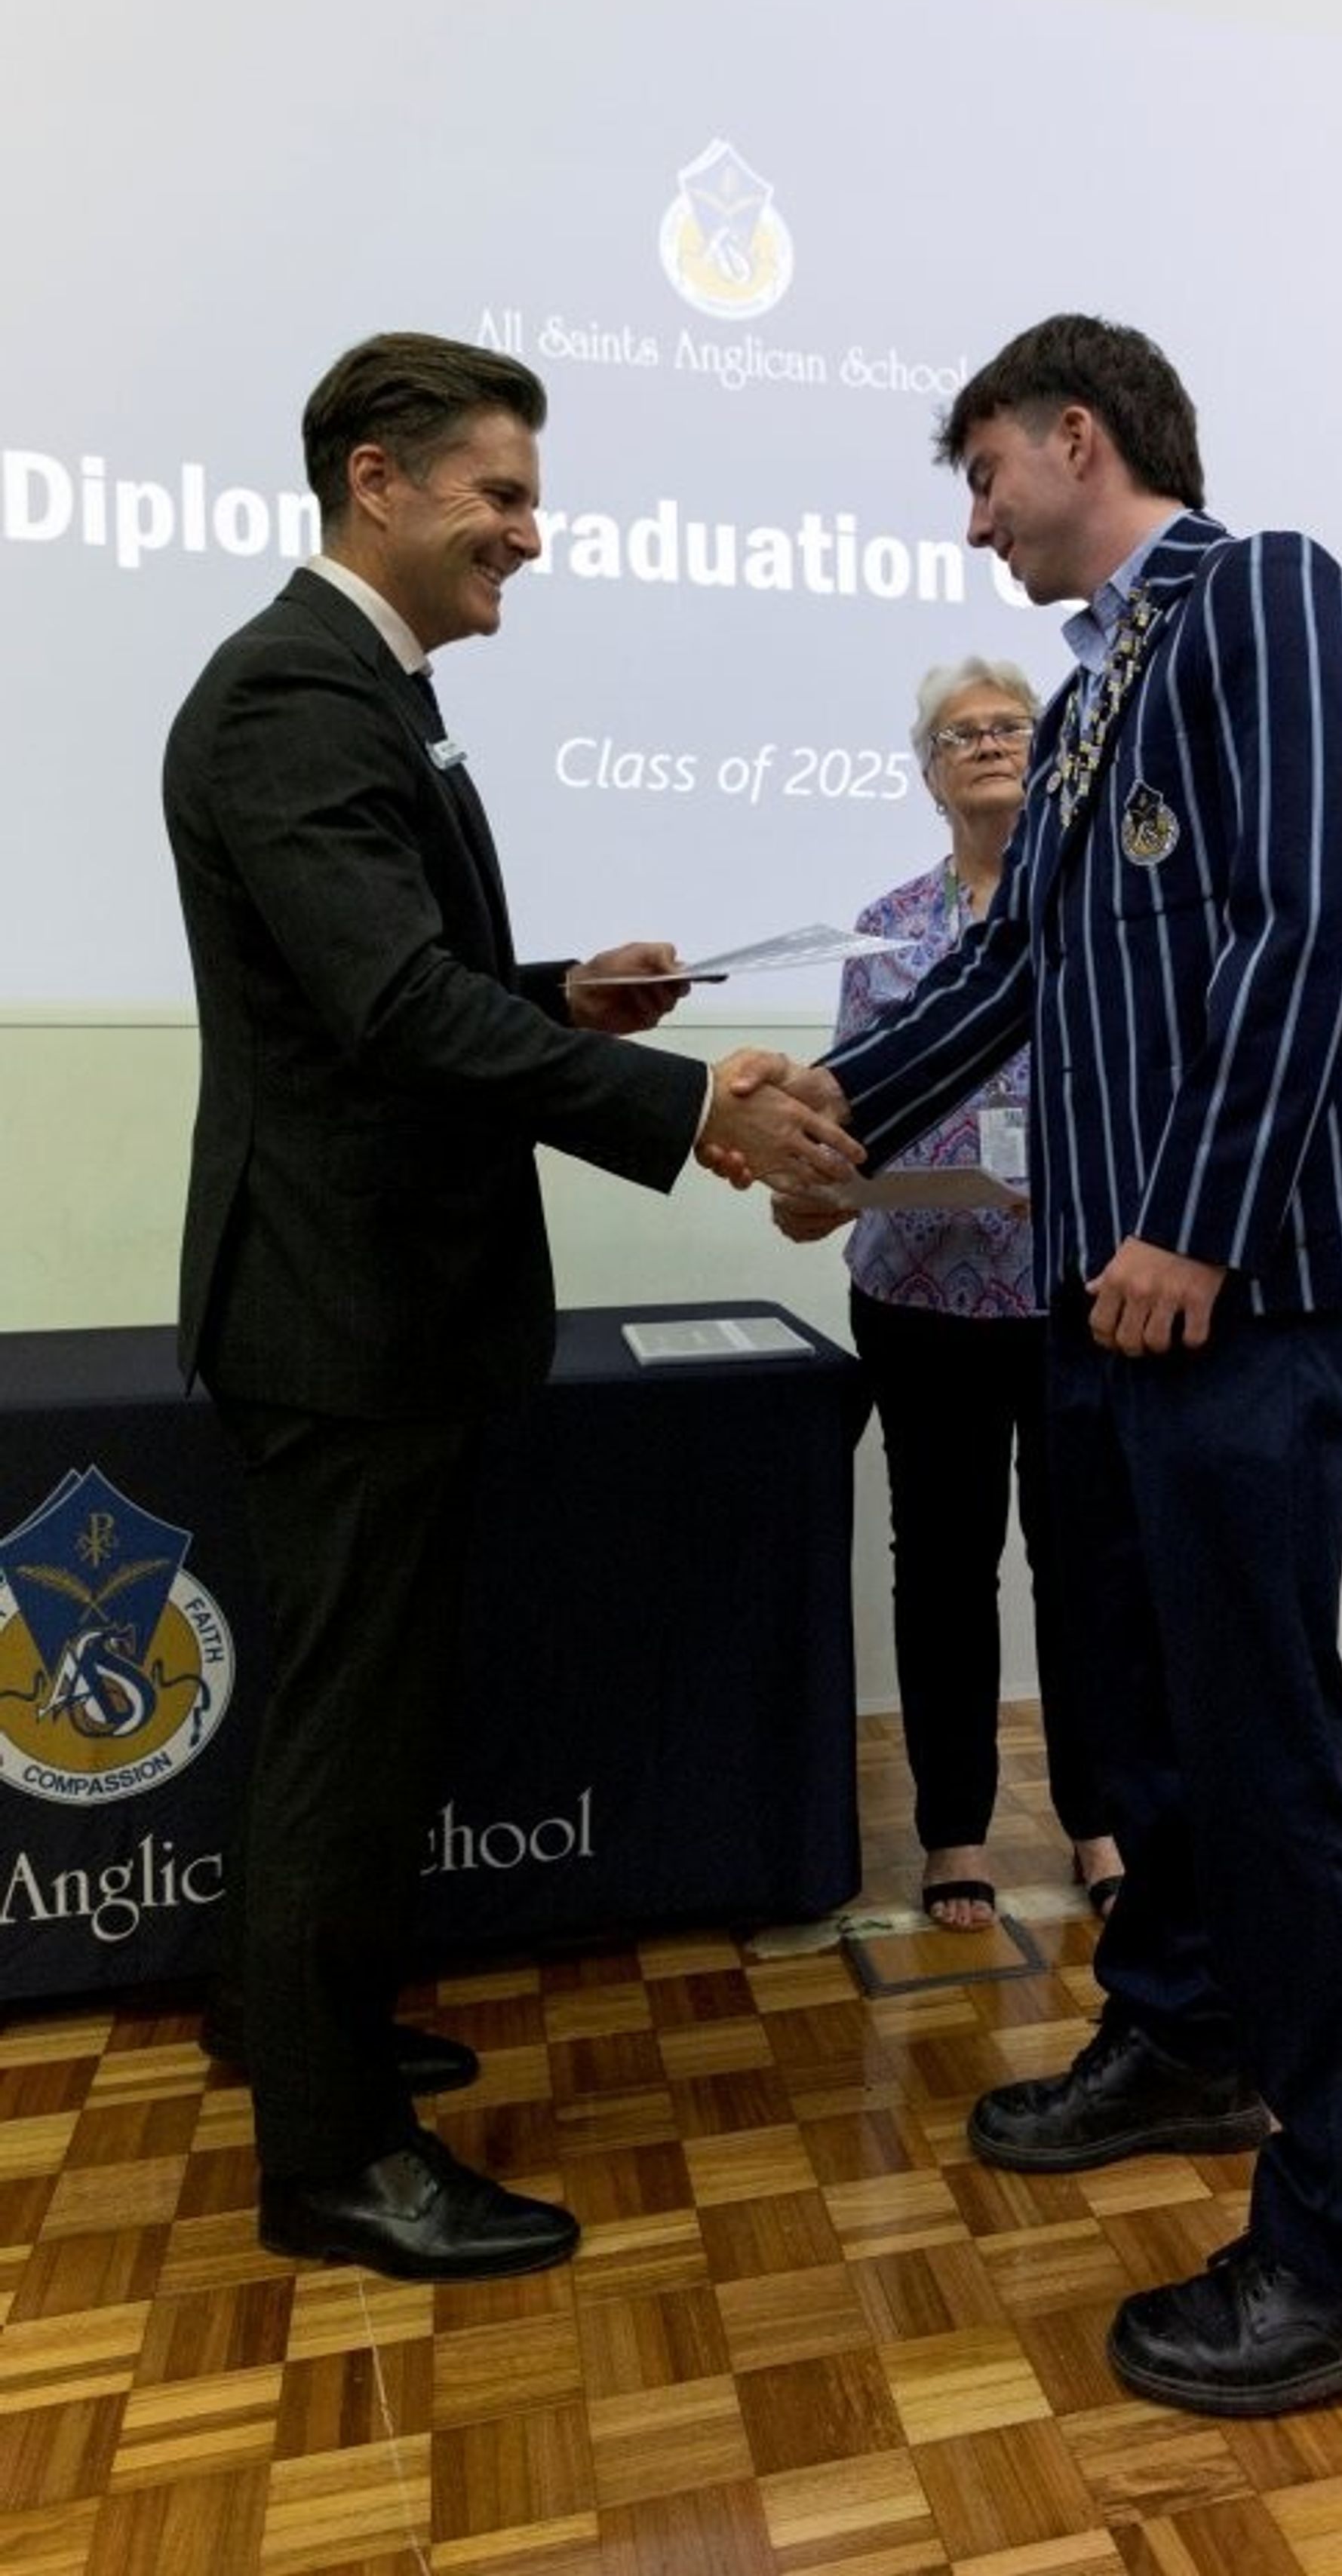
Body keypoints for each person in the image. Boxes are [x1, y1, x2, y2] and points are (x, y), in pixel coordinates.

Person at [758, 314, 1342, 2419]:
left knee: (1262, 1743)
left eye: (983, 474)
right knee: (1142, 1714)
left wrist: (1200, 1214)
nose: (973, 523)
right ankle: (1182, 2029)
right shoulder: (1088, 702)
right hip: (1106, 1297)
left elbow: (1311, 919)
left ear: (1077, 436)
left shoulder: (1264, 594)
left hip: (1227, 1284)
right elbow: (1001, 973)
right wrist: (824, 1106)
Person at [162, 330, 858, 2285]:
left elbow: (393, 980)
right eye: (501, 494)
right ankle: (331, 2159)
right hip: (343, 1311)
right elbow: (388, 1011)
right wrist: (684, 1104)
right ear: (376, 480)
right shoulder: (295, 692)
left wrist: (559, 996)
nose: (529, 535)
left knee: (352, 1709)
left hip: (380, 1302)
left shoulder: (365, 689)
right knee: (351, 1728)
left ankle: (297, 2020)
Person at [776, 660, 1122, 1933]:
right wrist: (814, 1178)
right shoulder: (884, 928)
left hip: (1075, 1292)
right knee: (941, 1567)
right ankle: (955, 1830)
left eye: (1009, 726)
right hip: (917, 1300)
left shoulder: (1102, 907)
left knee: (1084, 1566)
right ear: (929, 775)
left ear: (1051, 752)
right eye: (959, 734)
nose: (986, 745)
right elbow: (853, 1106)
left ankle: (1099, 1818)